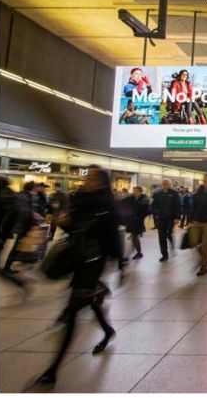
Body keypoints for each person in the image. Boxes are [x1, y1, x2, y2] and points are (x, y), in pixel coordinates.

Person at [37, 165, 122, 385]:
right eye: (87, 177)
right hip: (79, 258)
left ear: (101, 183)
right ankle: (107, 329)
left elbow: (111, 236)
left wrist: (121, 264)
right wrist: (64, 223)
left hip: (93, 262)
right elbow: (76, 230)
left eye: (92, 178)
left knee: (75, 309)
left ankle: (53, 369)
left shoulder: (104, 205)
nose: (86, 181)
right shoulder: (80, 199)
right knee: (88, 302)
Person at [151, 179, 180, 262]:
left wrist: (177, 217)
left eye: (167, 184)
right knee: (161, 237)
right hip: (161, 218)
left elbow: (178, 206)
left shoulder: (174, 193)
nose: (165, 185)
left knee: (169, 233)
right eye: (164, 184)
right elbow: (154, 205)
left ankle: (172, 244)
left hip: (171, 218)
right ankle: (164, 255)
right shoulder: (158, 193)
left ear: (170, 184)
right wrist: (156, 213)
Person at [124, 186, 149, 260]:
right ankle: (136, 251)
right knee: (134, 237)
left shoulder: (144, 199)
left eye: (136, 191)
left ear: (140, 192)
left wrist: (139, 217)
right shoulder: (132, 198)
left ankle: (139, 253)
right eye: (134, 191)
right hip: (131, 221)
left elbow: (146, 211)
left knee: (134, 236)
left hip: (138, 221)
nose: (134, 192)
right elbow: (124, 202)